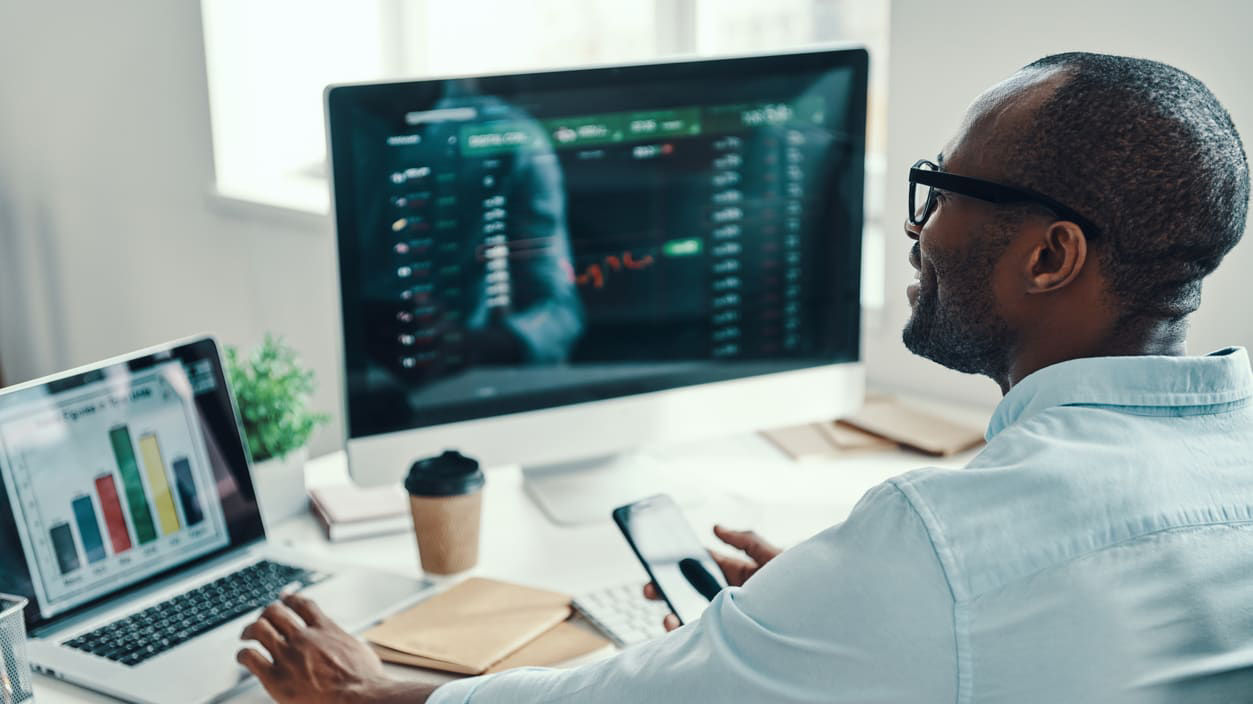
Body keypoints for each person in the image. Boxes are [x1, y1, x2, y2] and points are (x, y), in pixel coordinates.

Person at [235, 52, 1252, 703]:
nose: (915, 227)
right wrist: (843, 609)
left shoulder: (935, 545)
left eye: (937, 192)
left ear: (1048, 256)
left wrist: (369, 695)